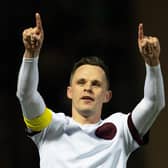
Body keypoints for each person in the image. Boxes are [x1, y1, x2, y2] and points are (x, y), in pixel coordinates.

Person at [16, 12, 165, 168]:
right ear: (70, 92)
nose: (88, 88)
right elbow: (26, 95)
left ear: (107, 96)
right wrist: (31, 55)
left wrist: (153, 64)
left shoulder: (122, 130)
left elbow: (154, 103)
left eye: (96, 84)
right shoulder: (49, 126)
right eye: (81, 82)